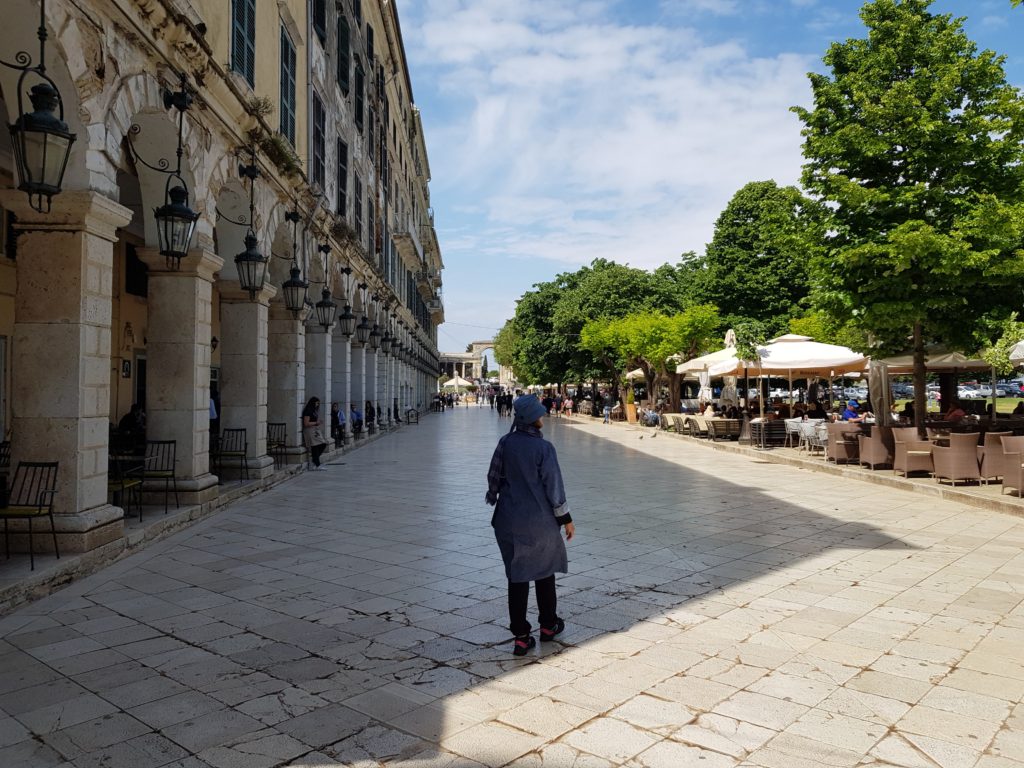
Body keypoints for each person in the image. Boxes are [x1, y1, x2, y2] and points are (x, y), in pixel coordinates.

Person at [486, 394, 574, 656]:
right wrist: (566, 519)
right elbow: (554, 488)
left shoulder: (506, 442)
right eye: (539, 413)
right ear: (533, 419)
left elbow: (494, 479)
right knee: (544, 573)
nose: (542, 415)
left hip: (508, 520)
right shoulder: (543, 449)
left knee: (517, 576)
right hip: (539, 521)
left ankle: (521, 636)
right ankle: (548, 625)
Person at [302, 397, 329, 470]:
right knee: (315, 446)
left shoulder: (314, 410)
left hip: (315, 429)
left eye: (318, 403)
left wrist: (318, 423)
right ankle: (317, 464)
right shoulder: (308, 411)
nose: (317, 405)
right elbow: (306, 423)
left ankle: (315, 460)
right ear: (313, 402)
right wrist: (316, 422)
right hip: (309, 430)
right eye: (317, 403)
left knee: (323, 443)